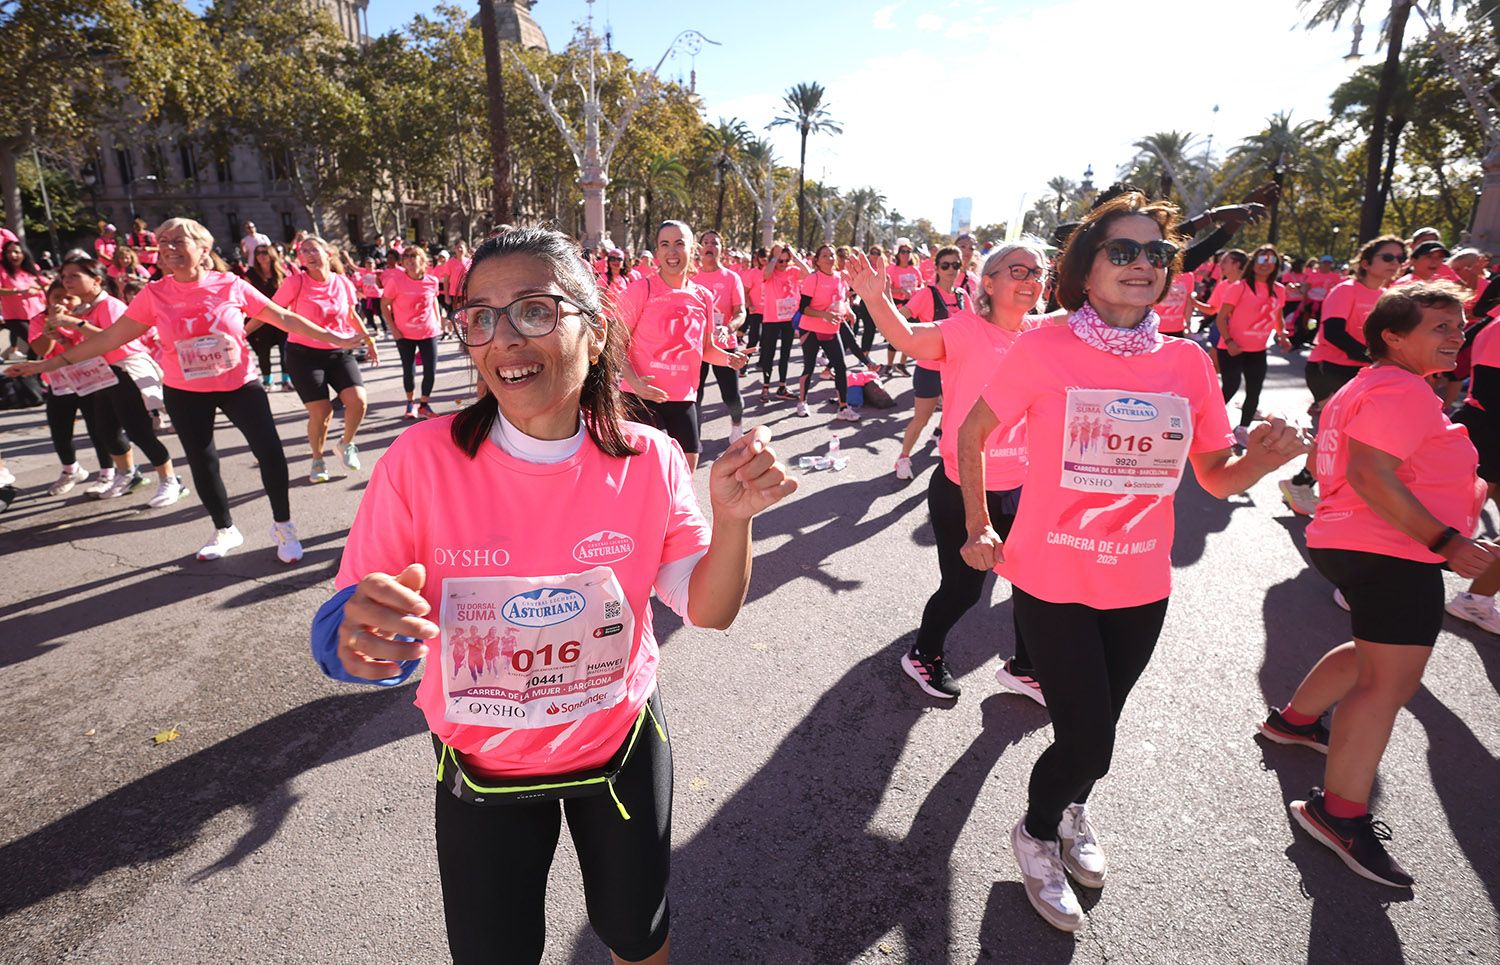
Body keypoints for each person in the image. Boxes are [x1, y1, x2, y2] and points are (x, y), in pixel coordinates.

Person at [309, 224, 795, 965]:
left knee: (638, 933)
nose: (504, 337)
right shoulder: (420, 462)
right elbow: (355, 624)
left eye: (534, 310)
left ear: (595, 332)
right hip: (482, 770)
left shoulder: (652, 458)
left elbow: (708, 607)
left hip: (619, 748)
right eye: (480, 316)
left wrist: (733, 521)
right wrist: (355, 637)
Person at [956, 192, 1307, 932]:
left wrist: (1262, 461)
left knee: (1099, 730)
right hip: (1053, 576)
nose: (1143, 263)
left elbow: (1215, 475)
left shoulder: (1187, 360)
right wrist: (979, 524)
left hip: (1142, 581)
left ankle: (1072, 803)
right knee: (1087, 734)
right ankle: (1037, 830)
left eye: (1156, 253)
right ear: (1087, 270)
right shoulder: (1046, 345)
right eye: (1124, 251)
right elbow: (973, 435)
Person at [1260, 282, 1491, 889]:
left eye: (1460, 325)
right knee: (1387, 683)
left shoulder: (1371, 385)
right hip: (1388, 548)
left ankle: (1294, 721)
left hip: (1355, 543)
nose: (1456, 336)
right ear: (1393, 335)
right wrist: (1448, 543)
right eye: (1440, 326)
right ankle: (1337, 815)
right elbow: (1370, 472)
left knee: (1374, 652)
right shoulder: (1402, 389)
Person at [6, 218, 361, 562]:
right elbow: (113, 337)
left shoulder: (230, 284)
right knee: (203, 462)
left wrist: (335, 337)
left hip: (239, 384)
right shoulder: (154, 292)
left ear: (203, 248)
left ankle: (283, 525)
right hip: (185, 391)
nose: (168, 248)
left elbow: (283, 317)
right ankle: (225, 529)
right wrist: (47, 364)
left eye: (178, 241)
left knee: (270, 453)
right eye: (163, 243)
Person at [847, 241, 1052, 703]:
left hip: (1023, 487)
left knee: (1030, 579)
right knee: (962, 590)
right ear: (989, 282)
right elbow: (908, 339)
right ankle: (923, 654)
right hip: (962, 488)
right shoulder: (965, 330)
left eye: (1038, 272)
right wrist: (876, 298)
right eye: (1016, 270)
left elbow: (1088, 319)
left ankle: (1025, 667)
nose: (1029, 279)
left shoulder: (1039, 334)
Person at [1280, 236, 1407, 516]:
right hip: (1329, 369)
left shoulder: (1389, 297)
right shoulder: (1345, 290)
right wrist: (1376, 357)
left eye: (1400, 258)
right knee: (1336, 436)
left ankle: (1307, 484)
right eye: (1388, 257)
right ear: (1365, 262)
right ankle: (1303, 484)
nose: (1395, 263)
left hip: (1365, 373)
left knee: (1353, 437)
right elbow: (1335, 333)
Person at [615, 221, 749, 470]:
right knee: (644, 471)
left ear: (693, 249)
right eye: (665, 244)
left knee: (687, 467)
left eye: (679, 244)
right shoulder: (640, 289)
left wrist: (730, 359)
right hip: (640, 396)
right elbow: (615, 343)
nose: (672, 252)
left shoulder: (703, 297)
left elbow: (706, 349)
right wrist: (634, 382)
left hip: (682, 397)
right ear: (657, 252)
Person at [54, 253, 186, 505]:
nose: (67, 281)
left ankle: (171, 480)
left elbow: (113, 337)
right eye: (64, 277)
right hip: (101, 374)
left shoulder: (110, 305)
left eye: (74, 276)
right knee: (106, 430)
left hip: (125, 371)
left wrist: (75, 322)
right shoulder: (82, 308)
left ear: (96, 280)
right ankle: (128, 475)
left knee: (139, 430)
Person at [269, 236, 378, 483]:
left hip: (339, 353)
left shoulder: (343, 282)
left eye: (313, 249)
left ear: (328, 253)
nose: (307, 254)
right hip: (303, 356)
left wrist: (369, 341)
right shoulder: (295, 283)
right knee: (322, 412)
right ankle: (317, 459)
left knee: (358, 401)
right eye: (302, 251)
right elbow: (272, 311)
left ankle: (345, 444)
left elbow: (351, 315)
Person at [29, 282, 118, 497]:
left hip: (91, 379)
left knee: (98, 428)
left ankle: (107, 473)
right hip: (59, 383)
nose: (62, 302)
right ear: (48, 299)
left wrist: (72, 324)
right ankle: (70, 470)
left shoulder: (85, 318)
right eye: (57, 297)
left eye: (69, 297)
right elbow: (41, 350)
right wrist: (50, 326)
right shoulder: (38, 320)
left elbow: (97, 343)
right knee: (60, 430)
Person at [890, 245, 969, 478]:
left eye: (956, 265)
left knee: (955, 412)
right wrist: (910, 341)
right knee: (920, 418)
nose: (951, 269)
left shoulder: (962, 296)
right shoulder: (926, 294)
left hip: (956, 368)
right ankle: (903, 457)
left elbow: (975, 325)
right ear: (936, 268)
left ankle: (940, 435)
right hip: (929, 369)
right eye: (945, 265)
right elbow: (900, 317)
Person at [1216, 244, 1289, 447]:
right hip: (1231, 348)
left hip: (1257, 351)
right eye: (1261, 259)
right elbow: (1221, 319)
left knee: (1254, 391)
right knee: (1230, 387)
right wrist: (1229, 342)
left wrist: (1282, 335)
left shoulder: (1278, 290)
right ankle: (1208, 424)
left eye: (1271, 260)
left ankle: (1242, 429)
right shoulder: (1239, 287)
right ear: (1253, 262)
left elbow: (1278, 317)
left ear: (1277, 265)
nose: (1266, 264)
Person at [791, 243, 860, 422]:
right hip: (811, 329)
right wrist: (824, 315)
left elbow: (841, 301)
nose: (829, 258)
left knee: (841, 366)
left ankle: (843, 407)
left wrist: (849, 311)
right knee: (809, 366)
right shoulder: (813, 279)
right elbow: (803, 308)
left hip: (831, 329)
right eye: (825, 256)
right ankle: (802, 402)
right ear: (817, 261)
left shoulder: (839, 278)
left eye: (831, 255)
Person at [693, 230, 747, 444]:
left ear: (721, 249)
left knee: (730, 394)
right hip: (697, 346)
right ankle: (693, 438)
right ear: (699, 248)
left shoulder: (732, 278)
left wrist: (728, 328)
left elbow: (741, 312)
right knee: (695, 395)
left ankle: (737, 427)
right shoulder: (691, 277)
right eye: (705, 242)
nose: (709, 246)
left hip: (724, 345)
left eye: (714, 243)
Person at [382, 245, 444, 419]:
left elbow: (434, 301)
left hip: (428, 331)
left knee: (430, 371)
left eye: (413, 255)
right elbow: (384, 304)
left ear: (422, 260)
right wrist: (393, 329)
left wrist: (438, 322)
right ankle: (410, 403)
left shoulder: (431, 281)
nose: (409, 259)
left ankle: (424, 404)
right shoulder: (396, 281)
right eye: (406, 256)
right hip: (404, 334)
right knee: (409, 370)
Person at [244, 244, 295, 391]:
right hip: (262, 318)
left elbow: (290, 295)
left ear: (271, 254)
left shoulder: (281, 272)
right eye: (258, 253)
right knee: (263, 351)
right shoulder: (251, 274)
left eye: (264, 252)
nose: (261, 255)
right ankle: (268, 381)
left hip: (281, 317)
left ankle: (286, 381)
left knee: (285, 350)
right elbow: (246, 295)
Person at [757, 244, 802, 403]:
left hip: (788, 319)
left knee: (785, 354)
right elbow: (767, 273)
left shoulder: (793, 271)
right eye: (780, 261)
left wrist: (794, 256)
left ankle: (782, 386)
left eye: (785, 260)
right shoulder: (769, 271)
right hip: (771, 319)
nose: (782, 264)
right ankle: (765, 387)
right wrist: (775, 257)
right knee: (768, 354)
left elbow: (809, 273)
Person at [0, 240, 46, 361]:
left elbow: (44, 284)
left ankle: (32, 376)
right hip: (15, 317)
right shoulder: (2, 269)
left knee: (40, 346)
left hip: (37, 313)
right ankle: (29, 376)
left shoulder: (32, 268)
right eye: (8, 252)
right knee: (36, 344)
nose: (12, 255)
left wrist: (41, 288)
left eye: (16, 252)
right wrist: (19, 291)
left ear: (24, 253)